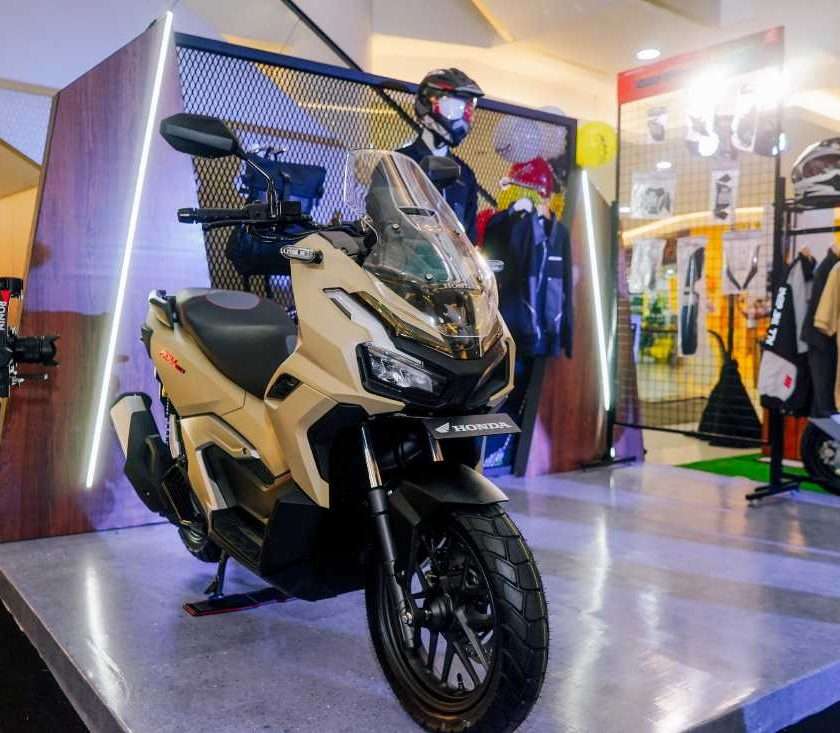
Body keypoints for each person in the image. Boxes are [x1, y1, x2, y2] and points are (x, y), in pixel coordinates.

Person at [398, 68, 483, 241]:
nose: (463, 118)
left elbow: (469, 238)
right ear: (427, 104)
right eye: (454, 108)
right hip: (405, 256)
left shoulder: (465, 175)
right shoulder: (399, 162)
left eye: (468, 109)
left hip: (448, 258)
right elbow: (382, 215)